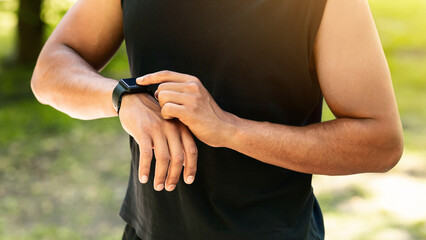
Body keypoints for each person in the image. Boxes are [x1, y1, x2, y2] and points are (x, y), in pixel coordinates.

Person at [30, 0, 403, 239]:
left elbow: (380, 141)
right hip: (146, 231)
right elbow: (50, 70)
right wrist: (120, 97)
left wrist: (229, 129)